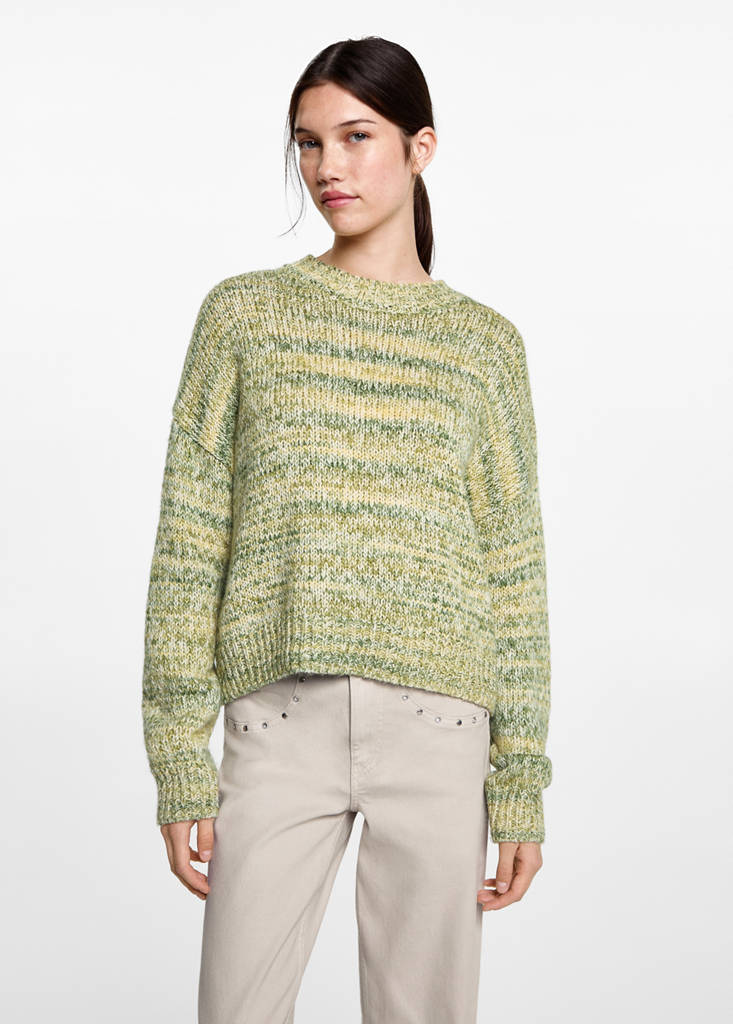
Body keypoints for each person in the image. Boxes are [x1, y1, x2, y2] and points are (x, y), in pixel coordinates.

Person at [141, 35, 553, 1024]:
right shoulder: (245, 317)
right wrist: (178, 756)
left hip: (441, 727)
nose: (328, 166)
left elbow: (513, 569)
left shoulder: (484, 346)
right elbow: (190, 543)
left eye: (356, 136)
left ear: (420, 148)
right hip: (279, 721)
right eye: (308, 142)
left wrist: (521, 782)